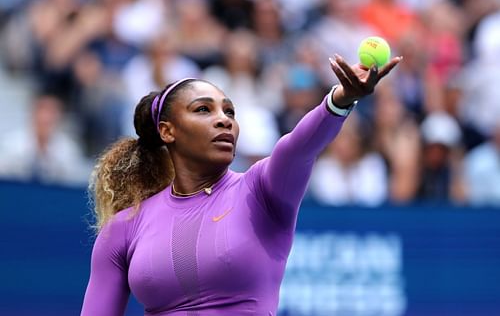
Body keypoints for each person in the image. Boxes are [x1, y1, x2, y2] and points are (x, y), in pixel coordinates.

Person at [80, 53, 401, 315]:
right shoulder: (124, 228)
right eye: (203, 109)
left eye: (229, 111)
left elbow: (297, 147)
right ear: (167, 131)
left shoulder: (260, 189)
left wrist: (339, 101)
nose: (224, 119)